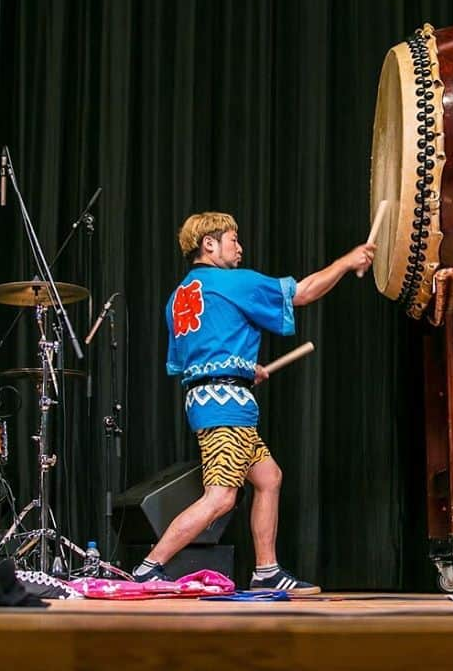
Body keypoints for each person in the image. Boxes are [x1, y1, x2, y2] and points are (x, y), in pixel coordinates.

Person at [130, 212, 375, 594]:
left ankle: (267, 571)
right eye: (233, 239)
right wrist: (347, 261)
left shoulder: (179, 296)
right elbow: (304, 291)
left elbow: (190, 359)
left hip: (210, 398)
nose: (240, 248)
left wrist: (242, 367)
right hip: (227, 404)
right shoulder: (232, 283)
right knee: (221, 497)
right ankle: (150, 567)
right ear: (208, 244)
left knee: (268, 477)